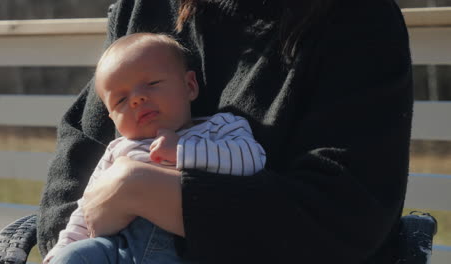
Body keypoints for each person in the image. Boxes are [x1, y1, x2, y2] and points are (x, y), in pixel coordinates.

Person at [38, 0, 414, 263]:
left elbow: (345, 215)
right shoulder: (145, 6)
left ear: (189, 85)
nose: (136, 101)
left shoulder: (357, 19)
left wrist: (140, 189)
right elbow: (81, 148)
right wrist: (72, 244)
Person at [44, 32, 266, 263]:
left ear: (190, 86)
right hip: (119, 249)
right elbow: (87, 207)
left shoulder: (220, 127)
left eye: (152, 84)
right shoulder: (118, 150)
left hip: (189, 250)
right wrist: (64, 246)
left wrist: (182, 149)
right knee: (75, 256)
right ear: (112, 118)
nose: (137, 99)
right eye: (121, 100)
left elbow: (251, 158)